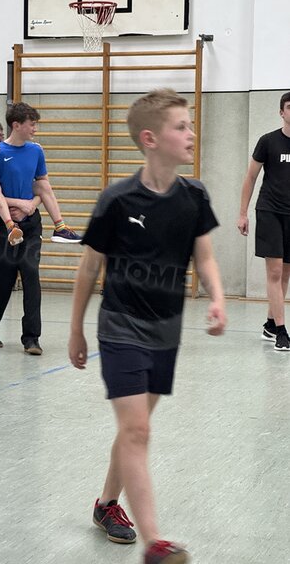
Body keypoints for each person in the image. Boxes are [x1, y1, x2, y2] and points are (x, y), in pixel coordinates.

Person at [68, 89, 225, 564]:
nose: (191, 133)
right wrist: (75, 330)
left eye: (189, 125)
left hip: (165, 331)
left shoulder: (194, 196)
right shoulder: (117, 199)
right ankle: (154, 543)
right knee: (136, 430)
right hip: (120, 327)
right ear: (150, 139)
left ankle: (106, 504)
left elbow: (204, 256)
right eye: (181, 126)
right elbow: (89, 267)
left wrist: (218, 298)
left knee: (134, 428)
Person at [0, 102, 60, 353]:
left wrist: (29, 206)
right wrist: (15, 205)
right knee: (4, 275)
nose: (35, 128)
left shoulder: (36, 151)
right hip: (2, 223)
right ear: (17, 125)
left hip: (30, 221)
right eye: (32, 124)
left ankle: (32, 337)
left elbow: (43, 187)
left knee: (31, 272)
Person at [0, 118, 82, 245]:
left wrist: (31, 205)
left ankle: (60, 227)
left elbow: (41, 183)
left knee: (42, 185)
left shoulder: (17, 150)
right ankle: (10, 226)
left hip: (9, 193)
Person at [237, 91, 290, 351]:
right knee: (275, 271)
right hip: (270, 211)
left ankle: (270, 324)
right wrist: (242, 213)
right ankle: (281, 331)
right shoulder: (268, 141)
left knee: (286, 272)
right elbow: (250, 177)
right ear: (282, 112)